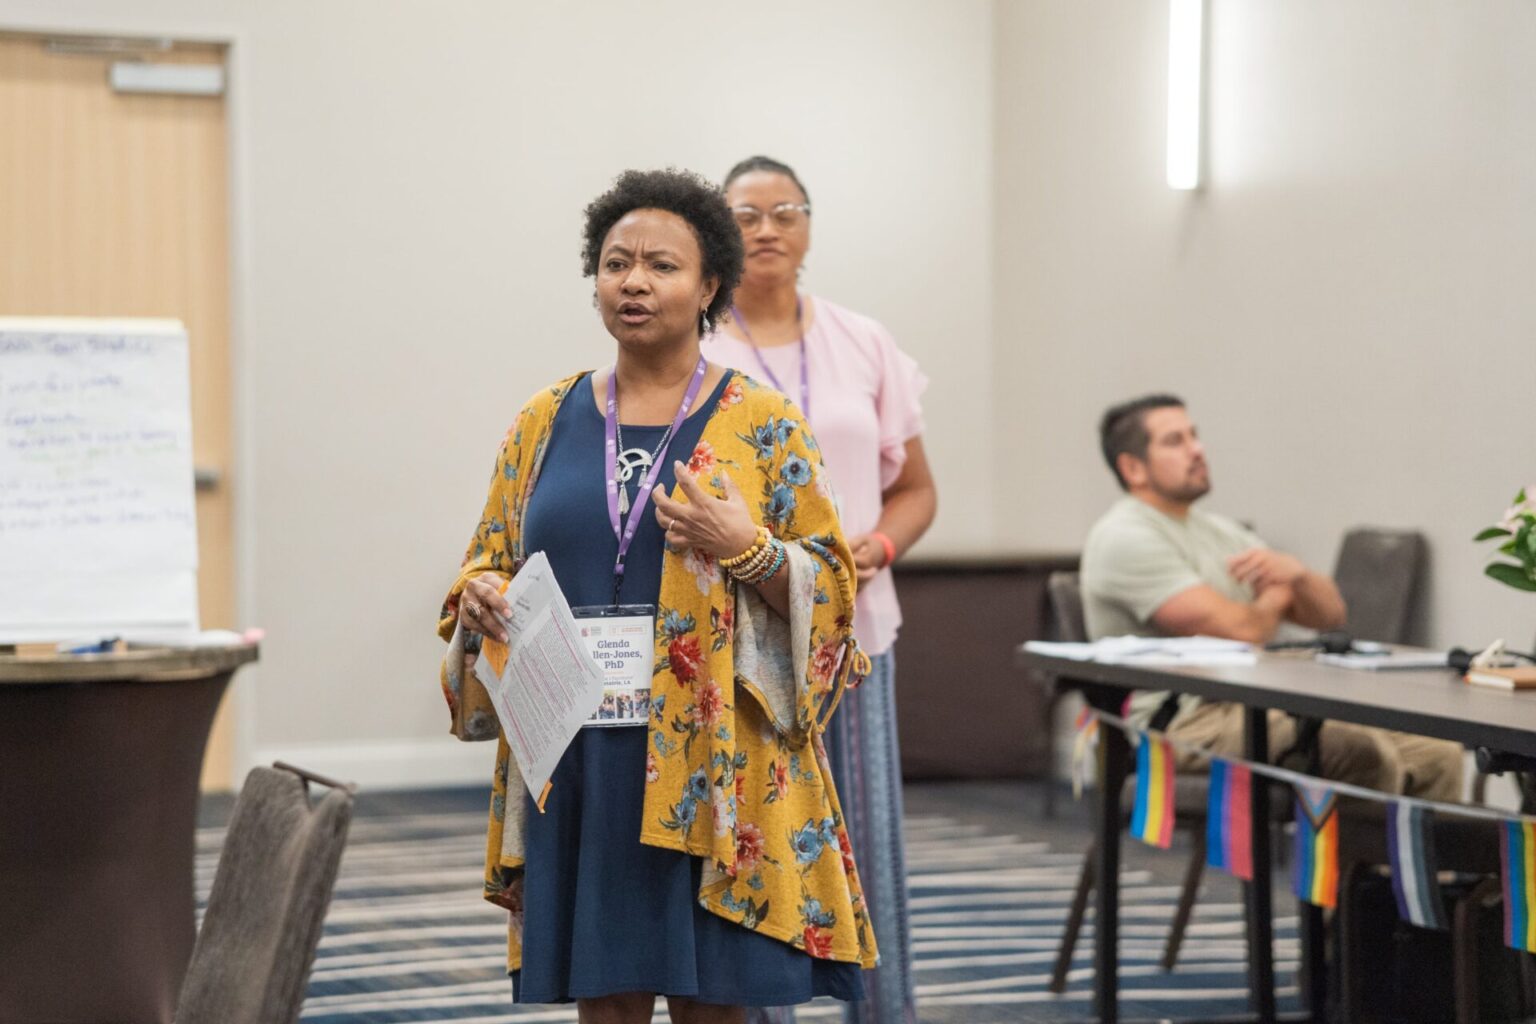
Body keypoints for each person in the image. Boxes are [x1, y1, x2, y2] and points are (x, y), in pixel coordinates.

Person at [436, 169, 877, 1023]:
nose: (633, 282)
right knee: (604, 998)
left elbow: (832, 591)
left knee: (713, 999)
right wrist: (480, 593)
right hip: (579, 745)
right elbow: (486, 558)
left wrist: (747, 549)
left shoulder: (764, 422)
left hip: (711, 750)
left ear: (710, 286)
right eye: (616, 264)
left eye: (661, 266)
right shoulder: (543, 419)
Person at [702, 156, 935, 1024]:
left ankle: (884, 1012)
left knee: (863, 844)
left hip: (853, 629)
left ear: (809, 226)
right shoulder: (698, 344)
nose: (768, 228)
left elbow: (917, 489)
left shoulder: (862, 340)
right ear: (719, 231)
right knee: (754, 844)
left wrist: (881, 543)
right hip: (739, 634)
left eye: (787, 211)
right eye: (747, 213)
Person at [1080, 394, 1462, 801]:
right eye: (1175, 441)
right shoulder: (1125, 537)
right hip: (1182, 721)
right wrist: (1279, 595)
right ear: (1133, 468)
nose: (1198, 449)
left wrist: (1296, 574)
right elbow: (1243, 630)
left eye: (1194, 435)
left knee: (1437, 752)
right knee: (1357, 750)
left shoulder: (1218, 530)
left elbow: (1331, 614)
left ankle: (1404, 848)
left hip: (1255, 703)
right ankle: (1349, 848)